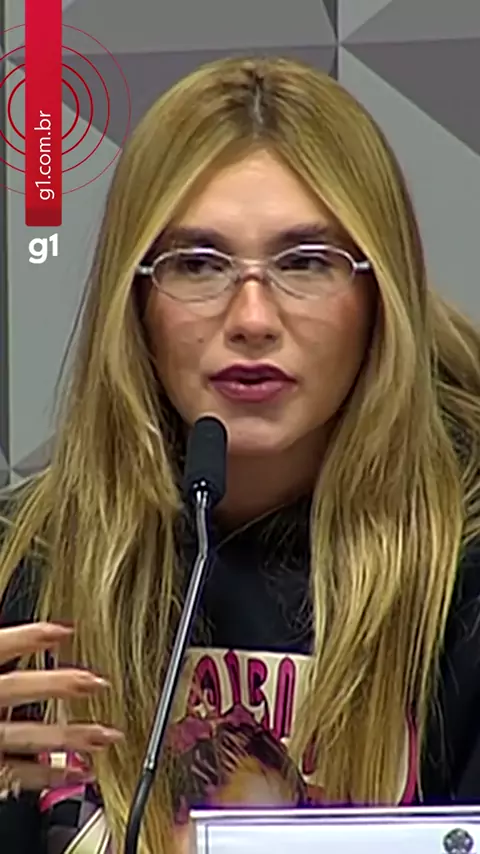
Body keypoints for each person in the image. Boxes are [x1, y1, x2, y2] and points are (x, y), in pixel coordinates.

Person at [0, 54, 480, 854]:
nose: (253, 317)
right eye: (198, 264)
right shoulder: (28, 564)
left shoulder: (463, 575)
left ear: (380, 297)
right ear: (135, 299)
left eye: (307, 262)